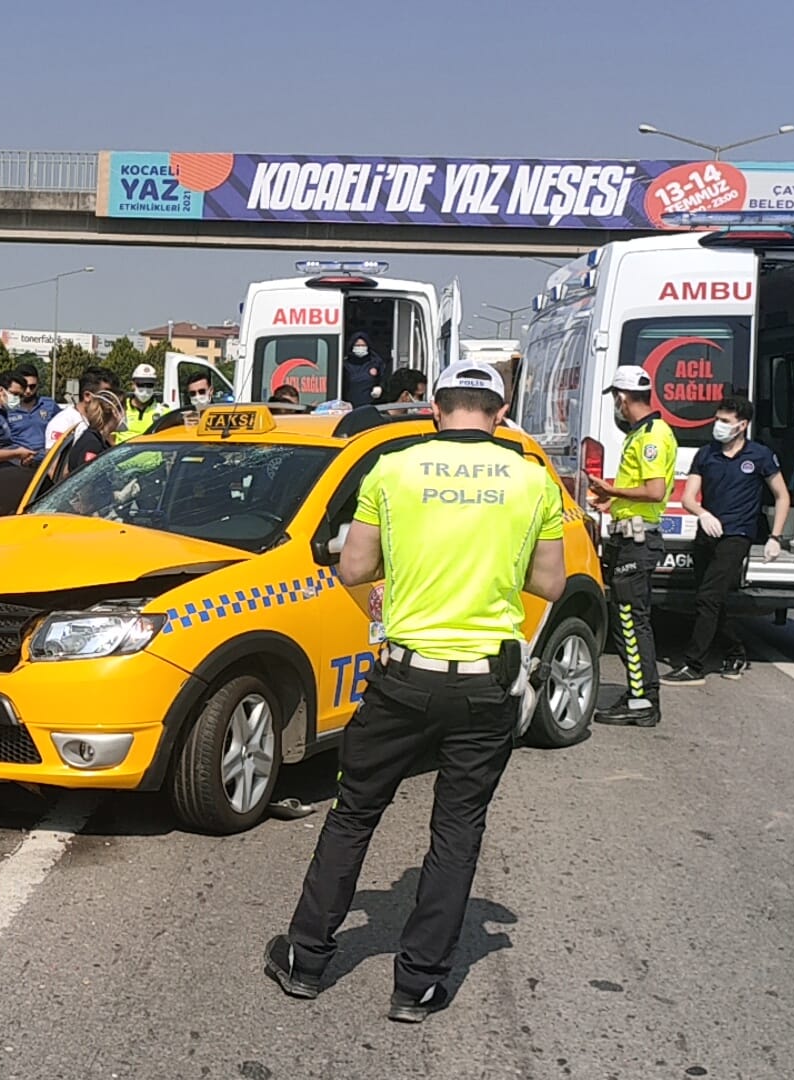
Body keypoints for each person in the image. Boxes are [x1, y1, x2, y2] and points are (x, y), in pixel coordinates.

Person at [265, 361, 566, 1022]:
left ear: (435, 408)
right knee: (457, 831)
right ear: (500, 409)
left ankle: (307, 960)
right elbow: (548, 582)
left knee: (354, 814)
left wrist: (394, 583)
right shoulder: (532, 479)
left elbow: (353, 566)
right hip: (487, 680)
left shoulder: (394, 468)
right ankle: (419, 985)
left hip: (404, 676)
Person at [665, 396, 791, 686]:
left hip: (737, 535)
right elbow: (687, 497)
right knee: (711, 600)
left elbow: (782, 496)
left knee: (708, 597)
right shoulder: (707, 454)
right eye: (717, 419)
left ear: (742, 425)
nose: (718, 426)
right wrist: (702, 513)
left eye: (725, 421)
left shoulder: (759, 456)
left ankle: (693, 664)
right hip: (707, 532)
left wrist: (775, 537)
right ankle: (735, 651)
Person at [588, 367, 678, 727]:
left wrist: (612, 491)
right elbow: (646, 494)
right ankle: (640, 693)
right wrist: (613, 505)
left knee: (631, 621)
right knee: (627, 620)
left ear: (623, 398)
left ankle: (642, 700)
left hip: (638, 543)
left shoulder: (652, 436)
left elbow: (655, 491)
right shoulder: (642, 433)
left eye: (616, 399)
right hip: (630, 533)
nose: (617, 406)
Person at [46, 367, 119, 448]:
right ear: (87, 396)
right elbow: (55, 459)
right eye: (106, 395)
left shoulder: (106, 423)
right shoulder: (63, 423)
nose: (111, 399)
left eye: (114, 394)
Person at [63, 389, 124, 479]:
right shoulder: (92, 445)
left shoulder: (98, 440)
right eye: (124, 410)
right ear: (115, 413)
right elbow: (86, 482)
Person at [4, 363, 62, 456]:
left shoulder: (49, 405)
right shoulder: (7, 409)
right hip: (16, 464)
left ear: (38, 384)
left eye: (32, 386)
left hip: (46, 463)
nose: (28, 391)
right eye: (24, 386)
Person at [121, 363, 173, 439]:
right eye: (141, 384)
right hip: (122, 450)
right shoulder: (120, 408)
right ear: (132, 385)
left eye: (149, 385)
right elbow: (109, 434)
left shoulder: (164, 412)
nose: (145, 389)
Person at [341, 332, 388, 409]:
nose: (360, 348)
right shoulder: (345, 364)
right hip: (350, 406)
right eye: (357, 345)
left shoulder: (376, 362)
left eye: (363, 345)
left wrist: (381, 387)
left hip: (371, 405)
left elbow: (384, 378)